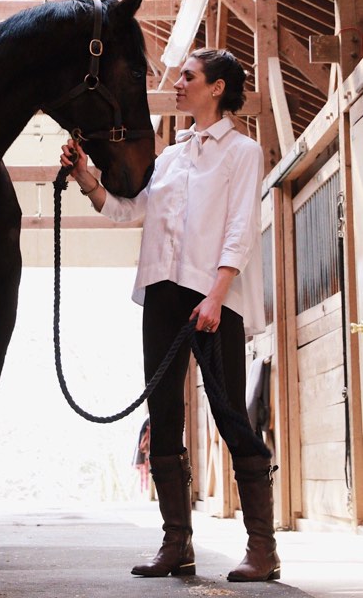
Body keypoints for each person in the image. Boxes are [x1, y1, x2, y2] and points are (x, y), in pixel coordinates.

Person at [60, 48, 279, 583]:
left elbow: (241, 227)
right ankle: (175, 544)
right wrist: (88, 177)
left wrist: (217, 291)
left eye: (188, 77)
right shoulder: (172, 155)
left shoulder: (242, 152)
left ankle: (263, 549)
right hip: (160, 292)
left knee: (230, 416)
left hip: (210, 297)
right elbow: (131, 211)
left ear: (217, 88)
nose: (177, 84)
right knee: (163, 418)